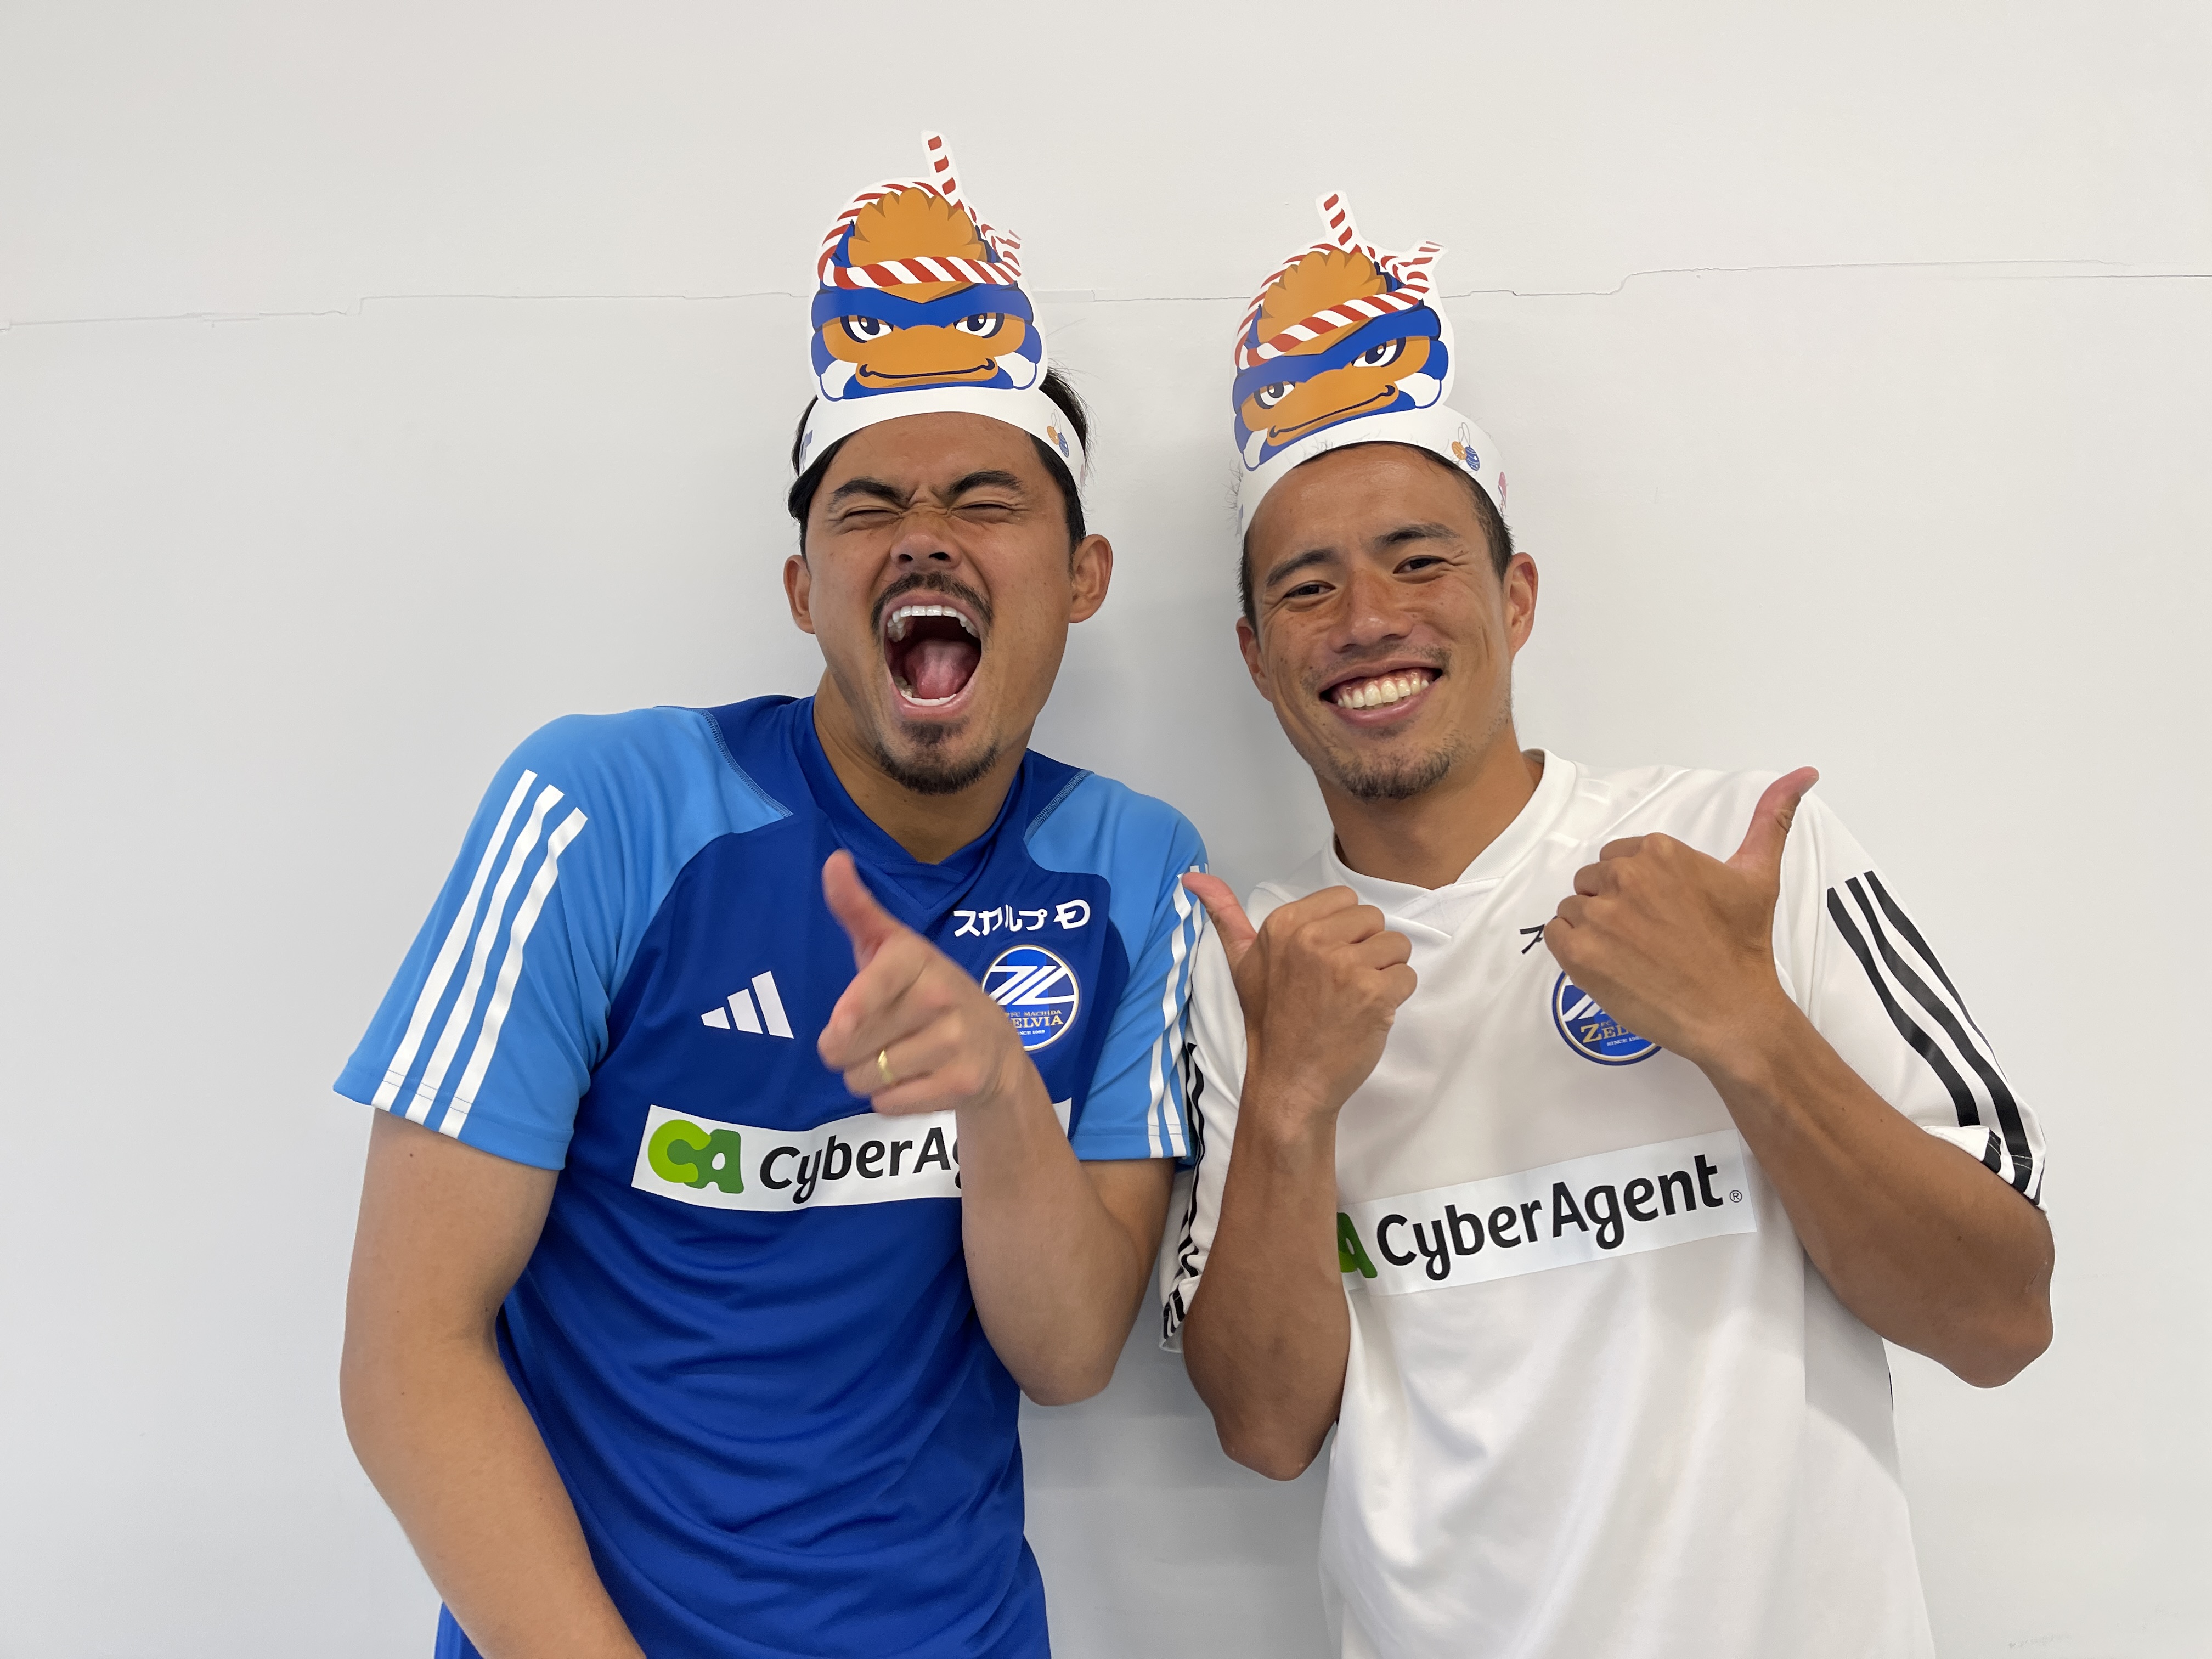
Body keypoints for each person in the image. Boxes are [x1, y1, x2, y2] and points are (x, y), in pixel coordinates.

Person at [336, 134, 1204, 1659]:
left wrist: (999, 1093)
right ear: (804, 590)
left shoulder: (1137, 865)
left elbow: (1068, 1354)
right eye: (867, 507)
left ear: (1084, 576)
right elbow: (408, 1355)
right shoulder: (603, 810)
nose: (924, 535)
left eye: (987, 499)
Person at [1163, 193, 2053, 1658]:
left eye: (1419, 560)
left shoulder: (1739, 852)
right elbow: (1266, 1429)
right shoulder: (1244, 960)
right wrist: (1292, 1104)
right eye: (1307, 589)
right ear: (1259, 660)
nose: (1367, 617)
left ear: (1515, 599)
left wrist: (1745, 1029)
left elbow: (2000, 1321)